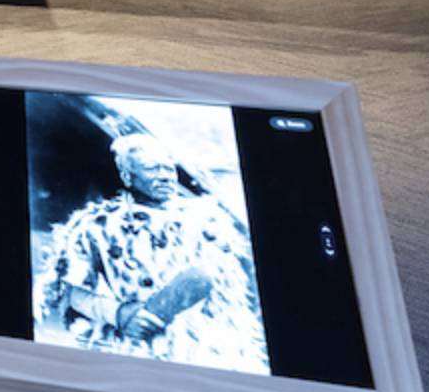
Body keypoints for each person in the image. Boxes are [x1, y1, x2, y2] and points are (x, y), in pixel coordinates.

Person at [34, 133, 267, 373]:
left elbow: (228, 300)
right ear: (127, 176)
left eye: (168, 168)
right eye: (152, 169)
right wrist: (119, 314)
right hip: (129, 353)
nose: (165, 176)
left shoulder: (208, 223)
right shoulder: (96, 225)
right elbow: (73, 294)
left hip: (200, 355)